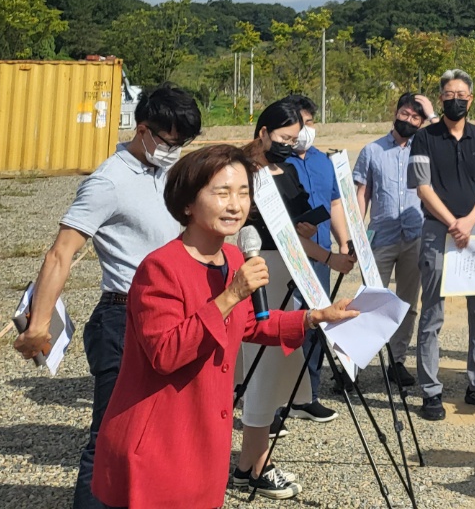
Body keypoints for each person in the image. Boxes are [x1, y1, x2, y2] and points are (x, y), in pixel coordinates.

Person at [90, 143, 356, 509]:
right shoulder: (161, 268)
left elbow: (249, 323)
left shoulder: (233, 257)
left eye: (244, 193)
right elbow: (165, 353)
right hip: (161, 440)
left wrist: (315, 317)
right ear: (187, 203)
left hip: (206, 435)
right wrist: (232, 294)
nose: (236, 205)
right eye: (222, 192)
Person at [14, 83, 202, 509]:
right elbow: (61, 253)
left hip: (174, 318)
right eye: (169, 141)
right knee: (111, 440)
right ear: (143, 130)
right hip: (124, 318)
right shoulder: (108, 181)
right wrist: (38, 326)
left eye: (183, 143)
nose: (174, 150)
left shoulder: (168, 172)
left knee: (159, 434)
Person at [233, 101, 355, 498]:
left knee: (279, 370)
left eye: (295, 137)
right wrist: (326, 256)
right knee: (261, 371)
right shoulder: (240, 172)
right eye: (284, 138)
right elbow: (265, 231)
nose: (290, 144)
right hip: (258, 274)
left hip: (291, 272)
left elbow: (298, 227)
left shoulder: (284, 171)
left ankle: (249, 464)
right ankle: (255, 465)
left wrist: (323, 244)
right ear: (263, 132)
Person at [406, 70, 475, 420]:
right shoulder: (424, 138)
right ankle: (431, 391)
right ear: (441, 97)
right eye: (449, 94)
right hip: (437, 230)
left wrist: (468, 222)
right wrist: (451, 222)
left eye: (462, 93)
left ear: (471, 98)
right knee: (433, 312)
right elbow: (423, 187)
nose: (455, 99)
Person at [275, 94, 351, 420]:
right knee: (284, 324)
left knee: (319, 324)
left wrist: (344, 241)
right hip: (285, 261)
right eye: (299, 124)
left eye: (310, 122)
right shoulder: (279, 165)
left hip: (320, 261)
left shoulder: (324, 161)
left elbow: (334, 203)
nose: (306, 130)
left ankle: (309, 395)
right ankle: (276, 400)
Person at [353, 92, 434, 389]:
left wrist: (432, 113)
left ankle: (396, 361)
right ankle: (355, 365)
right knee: (369, 302)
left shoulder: (426, 148)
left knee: (408, 303)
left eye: (416, 117)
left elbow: (447, 139)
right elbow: (362, 194)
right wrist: (355, 234)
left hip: (415, 236)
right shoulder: (371, 151)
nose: (409, 120)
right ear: (395, 113)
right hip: (382, 238)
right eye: (405, 114)